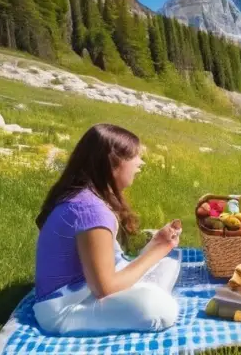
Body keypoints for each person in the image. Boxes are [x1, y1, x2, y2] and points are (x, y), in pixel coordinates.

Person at [33, 124, 181, 336]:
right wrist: (156, 250)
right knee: (161, 309)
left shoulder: (87, 198)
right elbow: (105, 288)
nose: (141, 163)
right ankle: (145, 288)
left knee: (168, 265)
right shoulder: (91, 210)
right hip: (64, 309)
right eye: (134, 157)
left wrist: (155, 246)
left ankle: (143, 284)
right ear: (113, 163)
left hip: (83, 289)